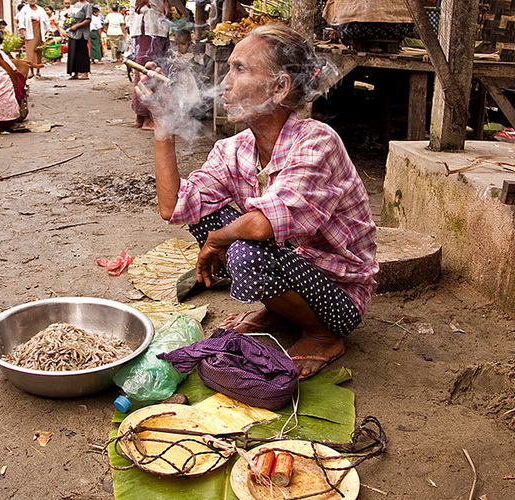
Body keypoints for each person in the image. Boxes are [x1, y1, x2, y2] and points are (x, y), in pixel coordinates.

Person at [136, 24, 378, 380]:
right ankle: (281, 311)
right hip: (293, 262)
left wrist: (219, 240)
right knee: (205, 217)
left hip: (338, 295)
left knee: (243, 249)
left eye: (240, 69)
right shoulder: (234, 149)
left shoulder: (316, 141)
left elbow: (263, 225)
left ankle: (322, 336)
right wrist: (162, 124)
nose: (225, 84)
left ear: (280, 87)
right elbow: (173, 208)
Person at [130, 0, 170, 130]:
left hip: (148, 29)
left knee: (144, 70)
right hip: (150, 29)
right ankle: (147, 117)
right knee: (149, 71)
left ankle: (141, 116)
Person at [16, 0, 50, 77]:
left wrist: (49, 30)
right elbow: (21, 21)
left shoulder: (40, 9)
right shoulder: (25, 9)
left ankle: (38, 70)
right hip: (30, 31)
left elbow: (46, 20)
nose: (32, 1)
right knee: (30, 52)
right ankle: (31, 71)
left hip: (39, 31)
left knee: (39, 50)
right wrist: (22, 32)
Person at [64, 0, 91, 80]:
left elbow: (88, 19)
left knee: (82, 53)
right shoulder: (75, 5)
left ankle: (84, 72)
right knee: (73, 53)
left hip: (82, 33)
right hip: (73, 33)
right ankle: (75, 72)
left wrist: (77, 26)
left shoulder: (87, 5)